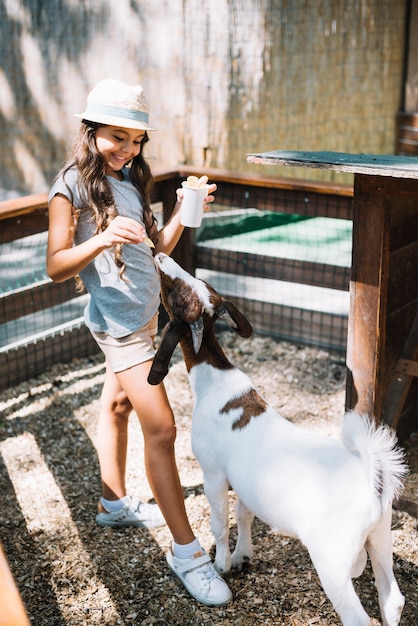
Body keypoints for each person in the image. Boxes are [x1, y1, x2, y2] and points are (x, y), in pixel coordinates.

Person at [46, 79, 232, 607]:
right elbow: (55, 266)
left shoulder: (128, 178)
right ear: (91, 131)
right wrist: (102, 238)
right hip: (120, 328)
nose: (128, 148)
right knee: (163, 427)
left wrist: (181, 212)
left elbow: (155, 248)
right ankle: (187, 554)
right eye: (116, 137)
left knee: (119, 404)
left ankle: (112, 504)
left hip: (144, 316)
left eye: (136, 140)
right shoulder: (70, 188)